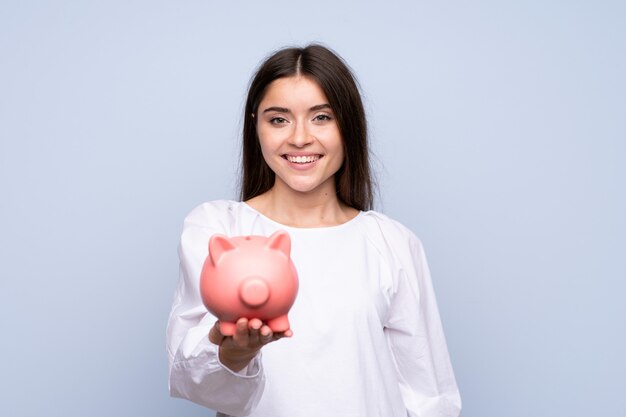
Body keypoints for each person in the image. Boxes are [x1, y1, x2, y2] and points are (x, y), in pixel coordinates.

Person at [166, 44, 462, 417]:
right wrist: (234, 351)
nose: (300, 138)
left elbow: (428, 395)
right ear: (255, 125)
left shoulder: (392, 242)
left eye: (321, 117)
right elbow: (191, 377)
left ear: (348, 125)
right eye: (279, 119)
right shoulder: (218, 230)